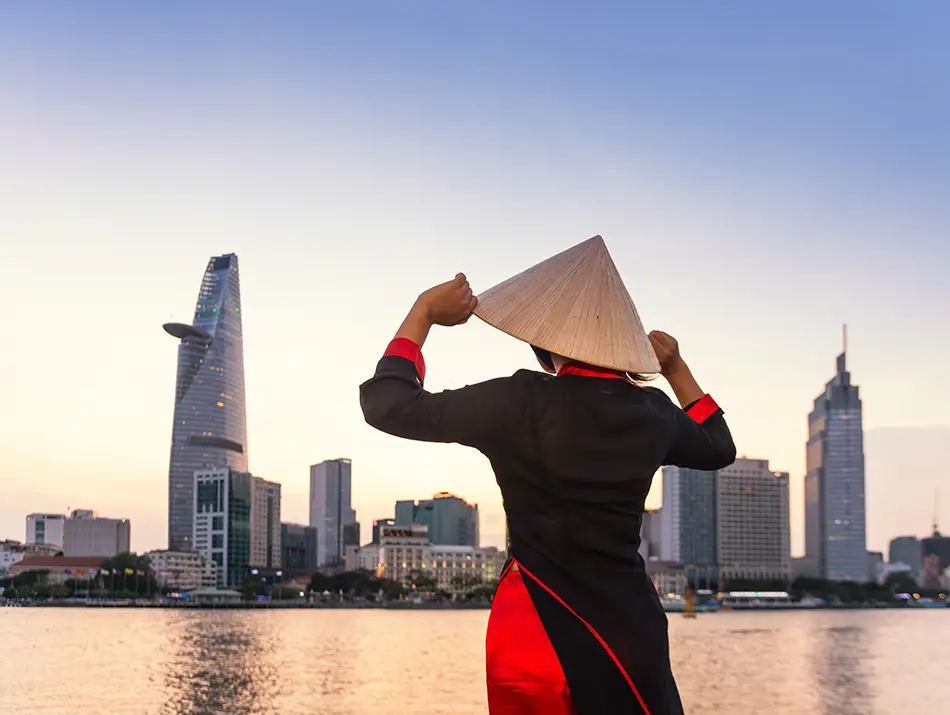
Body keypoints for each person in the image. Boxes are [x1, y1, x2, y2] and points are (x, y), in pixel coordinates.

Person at [359, 236, 736, 715]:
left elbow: (387, 404)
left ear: (544, 347)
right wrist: (677, 369)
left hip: (534, 630)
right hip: (628, 633)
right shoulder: (653, 413)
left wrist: (424, 311)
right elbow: (720, 447)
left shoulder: (517, 401)